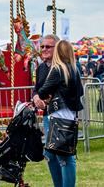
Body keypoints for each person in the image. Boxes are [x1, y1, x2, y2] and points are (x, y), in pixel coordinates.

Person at [33, 39, 83, 187]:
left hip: (59, 116)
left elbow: (44, 90)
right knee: (51, 154)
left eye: (48, 46)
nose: (44, 49)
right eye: (42, 46)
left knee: (64, 156)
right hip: (55, 115)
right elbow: (38, 89)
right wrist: (37, 97)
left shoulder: (58, 68)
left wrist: (46, 95)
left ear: (57, 49)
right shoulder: (43, 68)